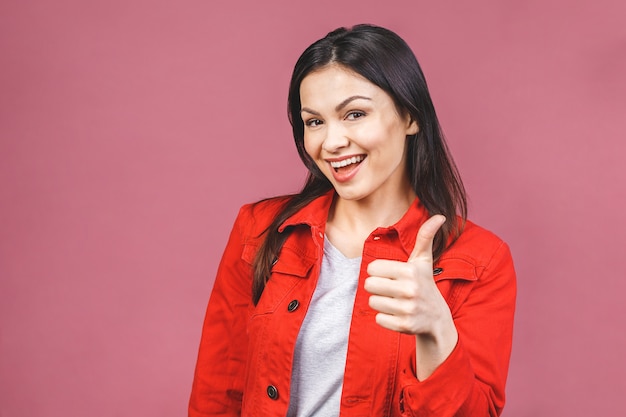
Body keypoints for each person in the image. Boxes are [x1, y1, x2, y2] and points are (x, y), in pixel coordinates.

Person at [189, 24, 516, 417]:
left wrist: (437, 331)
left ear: (410, 116)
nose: (331, 142)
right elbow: (217, 394)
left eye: (355, 114)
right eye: (314, 122)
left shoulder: (480, 260)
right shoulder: (258, 230)